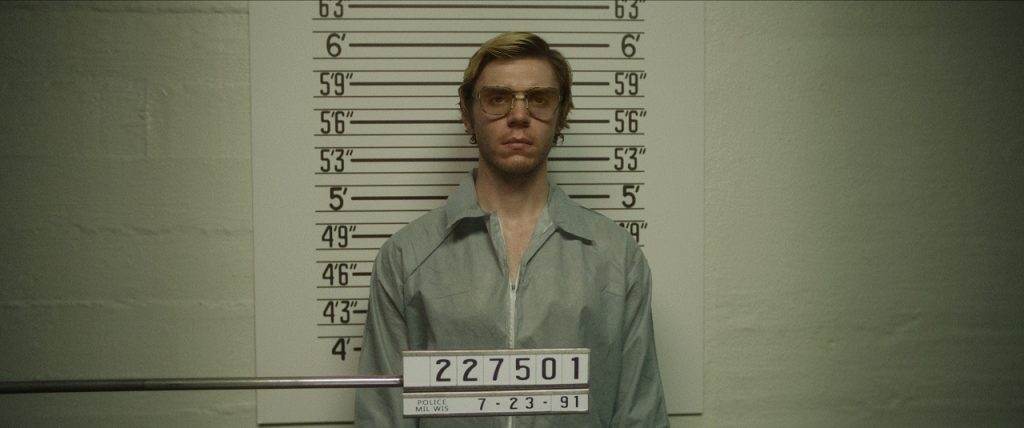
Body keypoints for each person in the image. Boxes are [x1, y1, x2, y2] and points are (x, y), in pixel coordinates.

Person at [355, 32, 669, 427]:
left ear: (561, 115)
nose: (519, 115)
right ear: (467, 114)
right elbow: (382, 414)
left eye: (539, 99)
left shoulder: (616, 256)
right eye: (497, 98)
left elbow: (640, 412)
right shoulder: (406, 256)